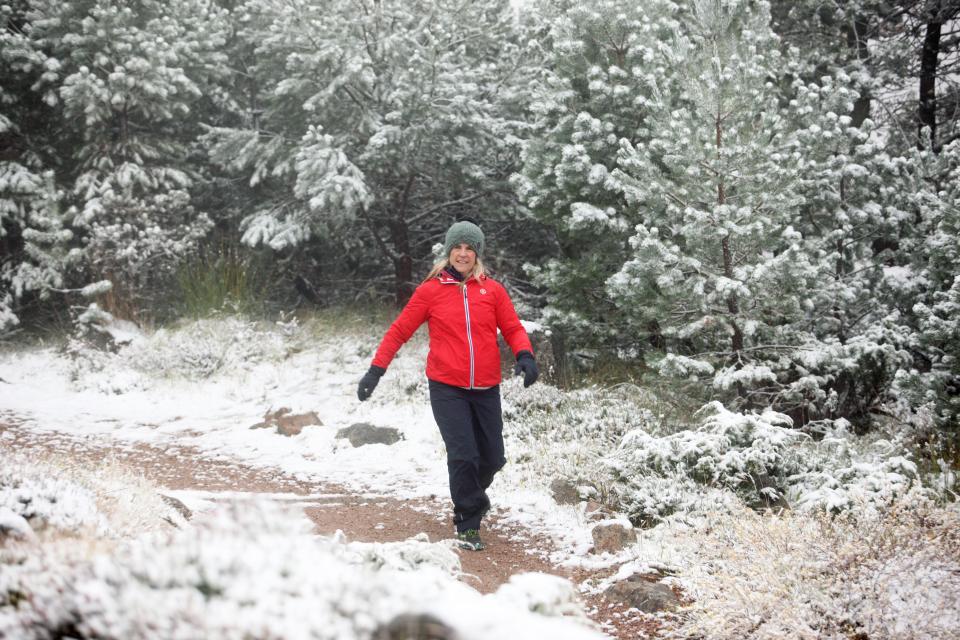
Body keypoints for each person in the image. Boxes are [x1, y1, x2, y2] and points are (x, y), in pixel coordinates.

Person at [356, 219, 539, 551]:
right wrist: (375, 371)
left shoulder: (492, 290)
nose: (463, 253)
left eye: (470, 248)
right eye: (458, 247)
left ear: (477, 254)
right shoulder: (430, 291)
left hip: (485, 386)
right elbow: (399, 331)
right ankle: (467, 521)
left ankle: (471, 494)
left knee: (494, 458)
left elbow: (512, 328)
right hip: (447, 386)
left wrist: (525, 355)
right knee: (464, 455)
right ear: (448, 251)